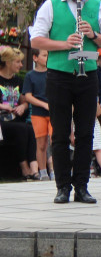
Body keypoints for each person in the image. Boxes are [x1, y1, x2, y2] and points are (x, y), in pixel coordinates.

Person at [30, 0, 101, 202]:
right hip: (59, 75)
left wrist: (93, 35)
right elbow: (36, 40)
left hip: (88, 74)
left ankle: (82, 186)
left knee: (86, 132)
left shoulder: (98, 6)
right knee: (60, 132)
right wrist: (64, 44)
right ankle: (62, 187)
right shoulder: (51, 6)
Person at [0, 46, 37, 181]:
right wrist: (2, 106)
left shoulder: (18, 81)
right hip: (2, 121)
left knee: (30, 129)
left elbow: (24, 101)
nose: (21, 65)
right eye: (18, 62)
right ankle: (24, 167)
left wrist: (23, 106)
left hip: (15, 119)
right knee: (21, 128)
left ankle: (34, 168)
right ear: (8, 62)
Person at [22, 49, 52, 180]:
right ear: (35, 58)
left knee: (55, 141)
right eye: (44, 55)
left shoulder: (52, 74)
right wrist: (44, 104)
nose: (47, 58)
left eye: (48, 55)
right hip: (38, 114)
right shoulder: (30, 75)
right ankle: (43, 172)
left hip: (54, 113)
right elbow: (28, 96)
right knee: (41, 144)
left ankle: (55, 171)